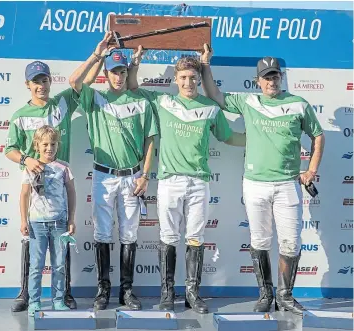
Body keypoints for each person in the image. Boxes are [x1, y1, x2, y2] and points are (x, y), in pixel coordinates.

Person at [200, 46, 325, 315]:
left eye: (275, 76)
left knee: (291, 243)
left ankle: (285, 295)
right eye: (267, 77)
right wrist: (205, 65)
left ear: (281, 78)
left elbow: (318, 135)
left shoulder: (299, 104)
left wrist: (311, 170)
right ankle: (266, 294)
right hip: (255, 184)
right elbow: (215, 95)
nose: (272, 81)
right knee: (260, 241)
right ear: (258, 81)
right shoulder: (249, 102)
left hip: (287, 184)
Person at [127, 50, 246, 314]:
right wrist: (135, 62)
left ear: (198, 78)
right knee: (168, 237)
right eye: (183, 78)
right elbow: (133, 85)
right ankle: (167, 294)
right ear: (175, 79)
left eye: (193, 77)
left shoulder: (211, 108)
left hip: (198, 183)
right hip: (170, 181)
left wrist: (260, 140)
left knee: (195, 238)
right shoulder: (163, 101)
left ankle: (192, 294)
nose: (188, 83)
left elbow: (229, 137)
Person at [69, 32, 158, 311]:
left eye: (122, 71)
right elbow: (74, 82)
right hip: (103, 177)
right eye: (113, 72)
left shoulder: (142, 101)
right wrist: (98, 55)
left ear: (127, 71)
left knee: (129, 235)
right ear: (105, 74)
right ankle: (103, 289)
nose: (118, 77)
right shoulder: (94, 98)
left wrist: (144, 175)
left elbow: (150, 140)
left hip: (132, 176)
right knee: (102, 233)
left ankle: (127, 291)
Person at [5, 60, 81, 311]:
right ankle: (28, 295)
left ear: (50, 81)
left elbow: (80, 82)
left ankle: (62, 296)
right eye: (36, 81)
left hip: (59, 213)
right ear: (28, 85)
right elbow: (10, 150)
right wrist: (27, 160)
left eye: (44, 80)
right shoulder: (19, 116)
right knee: (35, 259)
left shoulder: (62, 103)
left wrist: (97, 54)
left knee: (60, 260)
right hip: (36, 209)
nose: (41, 85)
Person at [20, 125, 76, 316]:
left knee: (59, 264)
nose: (49, 148)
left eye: (53, 144)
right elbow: (24, 195)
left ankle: (58, 300)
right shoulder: (30, 167)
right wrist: (23, 221)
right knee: (36, 265)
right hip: (37, 224)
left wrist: (71, 219)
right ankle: (34, 301)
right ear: (37, 145)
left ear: (57, 145)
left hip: (59, 223)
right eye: (45, 144)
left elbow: (71, 192)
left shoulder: (64, 167)